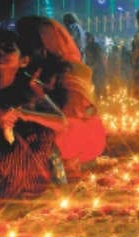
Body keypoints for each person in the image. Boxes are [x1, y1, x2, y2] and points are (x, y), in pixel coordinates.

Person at [0, 29, 66, 201]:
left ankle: (28, 188)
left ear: (24, 61)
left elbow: (61, 123)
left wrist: (24, 114)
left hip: (22, 176)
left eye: (8, 49)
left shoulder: (30, 88)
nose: (0, 52)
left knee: (42, 132)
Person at [16, 16, 106, 177]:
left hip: (78, 139)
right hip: (62, 133)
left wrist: (27, 111)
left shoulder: (69, 73)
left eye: (26, 42)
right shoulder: (39, 69)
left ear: (42, 46)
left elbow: (65, 121)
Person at [85, 32, 106, 98]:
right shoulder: (87, 46)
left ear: (91, 38)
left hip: (98, 70)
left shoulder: (95, 46)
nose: (86, 40)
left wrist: (93, 67)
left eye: (87, 38)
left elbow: (99, 58)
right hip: (91, 69)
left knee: (98, 86)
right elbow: (87, 59)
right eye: (86, 38)